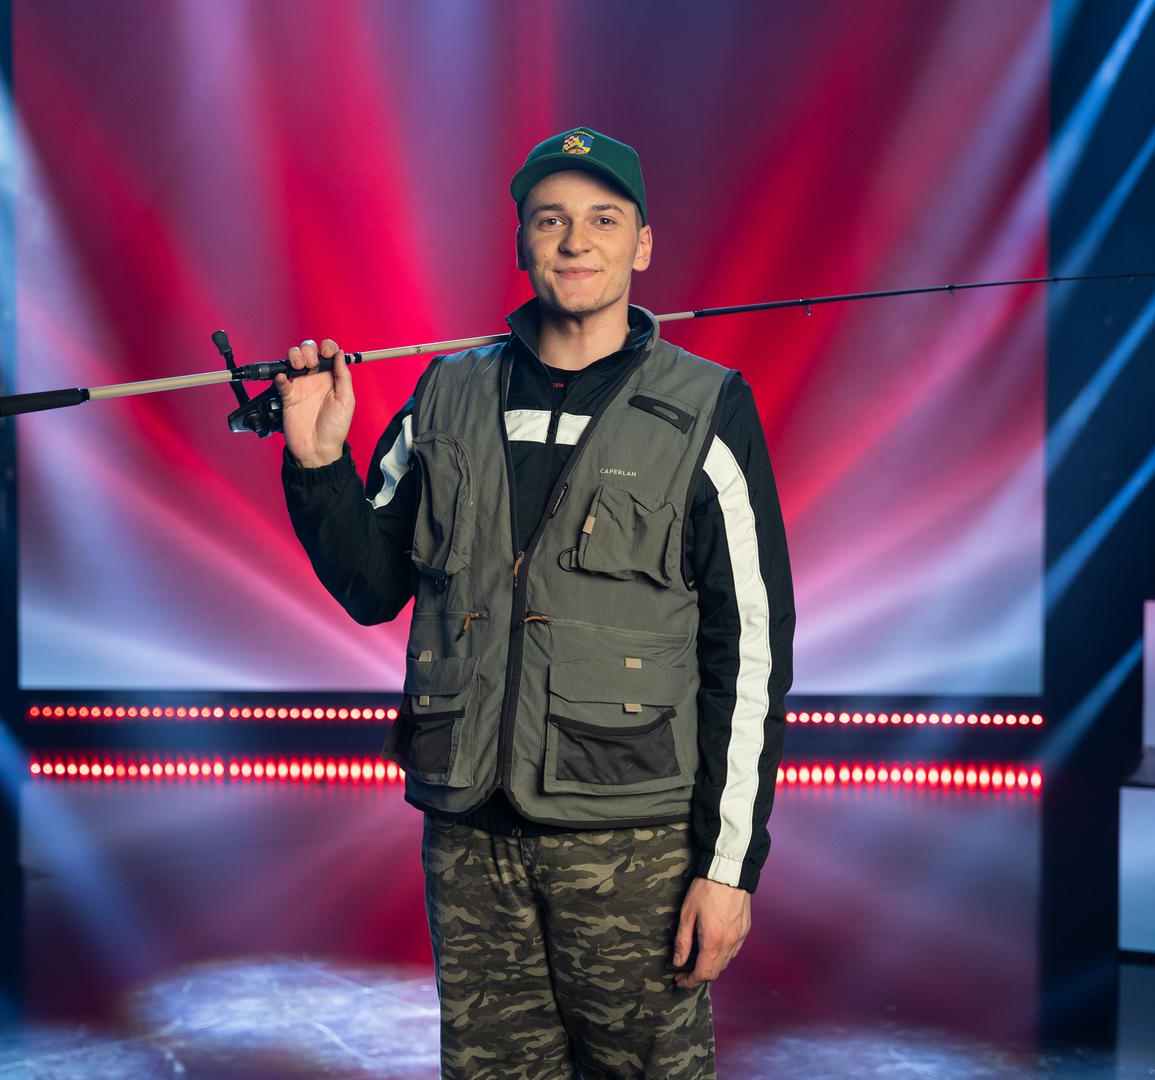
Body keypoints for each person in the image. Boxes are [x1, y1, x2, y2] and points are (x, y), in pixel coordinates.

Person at [277, 127, 794, 1079]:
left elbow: (750, 652)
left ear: (642, 244)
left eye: (603, 219)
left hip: (633, 846)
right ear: (521, 243)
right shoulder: (443, 394)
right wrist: (318, 462)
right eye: (550, 220)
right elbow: (370, 587)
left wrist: (728, 869)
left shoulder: (707, 406)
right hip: (469, 838)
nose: (575, 240)